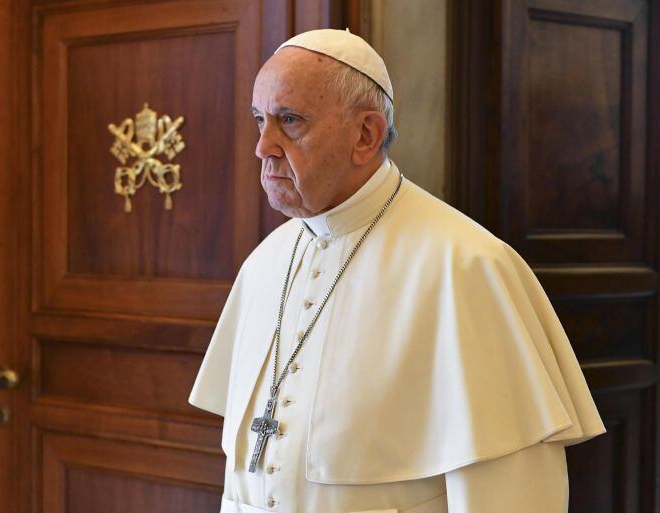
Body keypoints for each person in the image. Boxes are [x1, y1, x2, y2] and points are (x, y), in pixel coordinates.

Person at [189, 28, 605, 513]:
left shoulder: (465, 266)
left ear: (365, 134)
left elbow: (510, 495)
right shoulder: (264, 264)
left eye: (290, 121)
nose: (263, 147)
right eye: (259, 120)